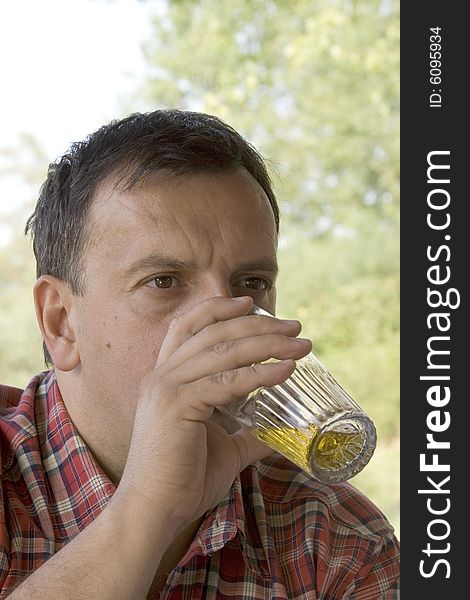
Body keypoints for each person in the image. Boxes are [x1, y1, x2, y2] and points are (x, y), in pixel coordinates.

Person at [0, 109, 399, 599]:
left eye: (251, 284)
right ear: (61, 321)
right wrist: (147, 509)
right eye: (162, 282)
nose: (224, 323)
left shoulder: (336, 538)